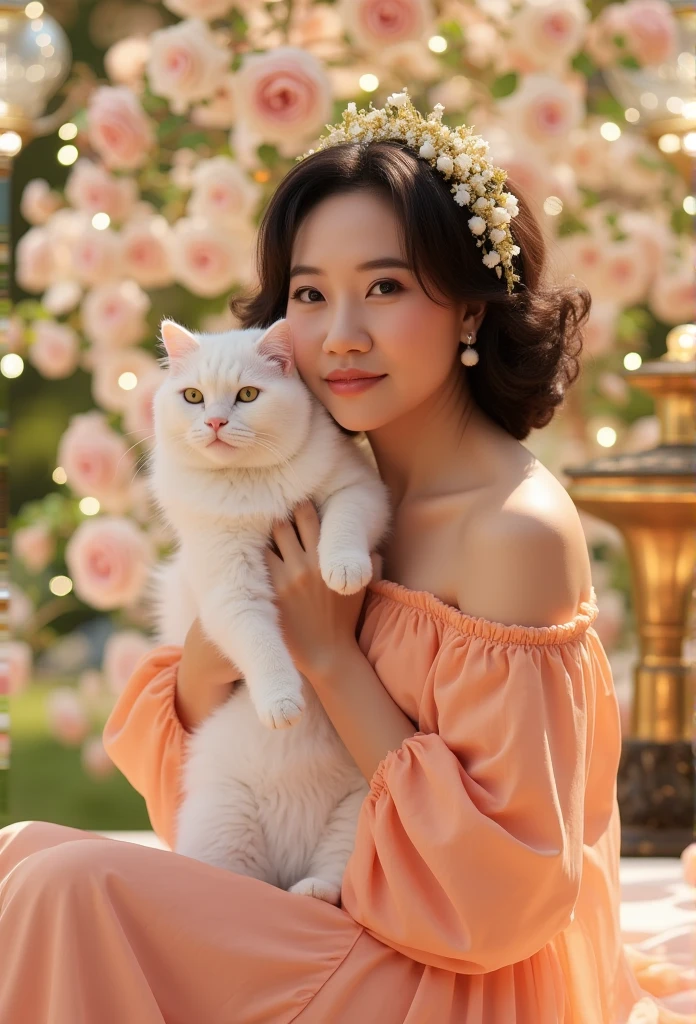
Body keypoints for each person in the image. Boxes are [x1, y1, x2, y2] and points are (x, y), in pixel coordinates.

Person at [0, 91, 692, 1024]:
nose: (342, 336)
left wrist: (328, 652)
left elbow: (502, 897)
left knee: (68, 889)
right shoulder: (330, 492)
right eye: (312, 294)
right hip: (322, 910)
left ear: (470, 312)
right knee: (20, 853)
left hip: (443, 972)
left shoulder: (512, 531)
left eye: (387, 287)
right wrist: (245, 618)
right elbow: (202, 771)